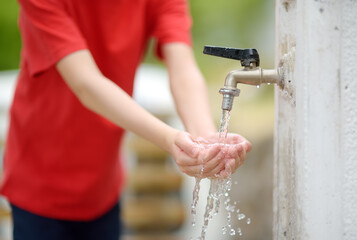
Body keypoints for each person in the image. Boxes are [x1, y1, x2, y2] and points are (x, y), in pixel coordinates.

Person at [1, 0, 252, 239]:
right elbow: (85, 84)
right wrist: (171, 139)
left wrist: (207, 141)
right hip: (38, 185)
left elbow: (182, 66)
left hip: (102, 185)